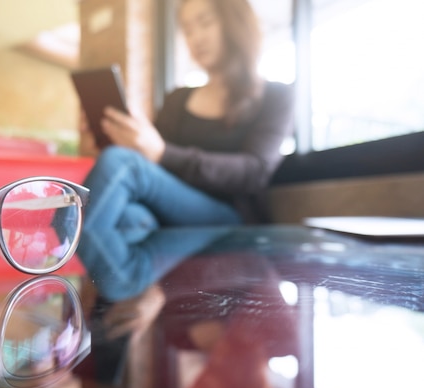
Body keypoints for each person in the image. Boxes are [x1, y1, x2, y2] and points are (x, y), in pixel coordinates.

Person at [79, 0, 295, 232]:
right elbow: (151, 164)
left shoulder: (276, 96)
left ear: (235, 22)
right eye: (188, 30)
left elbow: (254, 171)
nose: (196, 38)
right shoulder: (177, 99)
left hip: (231, 214)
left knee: (122, 163)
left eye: (205, 23)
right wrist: (114, 137)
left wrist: (162, 153)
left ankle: (59, 243)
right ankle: (64, 253)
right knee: (129, 219)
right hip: (169, 209)